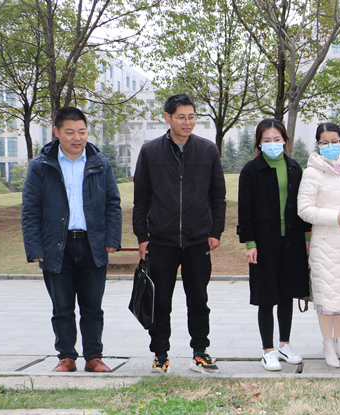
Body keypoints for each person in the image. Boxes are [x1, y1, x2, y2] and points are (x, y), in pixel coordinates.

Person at [21, 107, 122, 373]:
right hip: (56, 246)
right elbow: (30, 210)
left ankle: (94, 357)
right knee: (62, 308)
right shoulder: (41, 166)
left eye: (82, 132)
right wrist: (34, 247)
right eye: (70, 132)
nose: (77, 138)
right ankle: (66, 357)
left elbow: (113, 204)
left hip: (92, 244)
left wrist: (112, 238)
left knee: (93, 307)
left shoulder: (101, 163)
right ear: (56, 132)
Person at [133, 94, 226, 375]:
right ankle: (160, 355)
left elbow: (217, 195)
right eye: (181, 117)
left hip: (198, 239)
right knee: (160, 301)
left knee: (198, 300)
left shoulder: (208, 150)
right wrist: (142, 236)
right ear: (167, 118)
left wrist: (215, 230)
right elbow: (141, 198)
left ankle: (200, 352)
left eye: (192, 117)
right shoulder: (150, 152)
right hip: (161, 240)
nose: (188, 122)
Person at [237, 118, 310, 371]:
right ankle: (267, 350)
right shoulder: (251, 170)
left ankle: (284, 345)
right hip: (263, 241)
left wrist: (307, 238)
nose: (272, 143)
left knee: (287, 293)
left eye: (276, 139)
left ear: (284, 140)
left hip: (292, 240)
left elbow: (302, 205)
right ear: (259, 142)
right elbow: (245, 210)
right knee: (266, 295)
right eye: (266, 139)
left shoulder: (294, 167)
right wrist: (250, 243)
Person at [297, 122, 340, 368]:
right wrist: (337, 217)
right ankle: (328, 345)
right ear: (318, 143)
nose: (331, 146)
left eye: (335, 141)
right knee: (328, 300)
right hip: (326, 245)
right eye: (325, 142)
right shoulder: (312, 173)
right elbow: (304, 209)